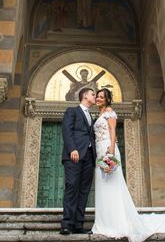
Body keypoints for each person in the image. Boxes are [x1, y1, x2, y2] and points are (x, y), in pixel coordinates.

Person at [92, 88, 165, 242]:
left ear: (107, 100)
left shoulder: (110, 112)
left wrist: (110, 149)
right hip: (99, 149)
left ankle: (115, 223)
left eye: (101, 97)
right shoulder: (99, 114)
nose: (98, 98)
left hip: (107, 149)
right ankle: (105, 221)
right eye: (97, 96)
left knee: (112, 185)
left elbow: (112, 131)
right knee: (103, 185)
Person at [60, 87, 96, 235]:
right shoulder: (72, 111)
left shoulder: (91, 116)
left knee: (84, 190)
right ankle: (67, 224)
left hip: (89, 157)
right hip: (74, 155)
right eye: (93, 94)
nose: (95, 97)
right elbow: (67, 131)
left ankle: (78, 224)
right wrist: (72, 149)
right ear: (85, 96)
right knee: (72, 186)